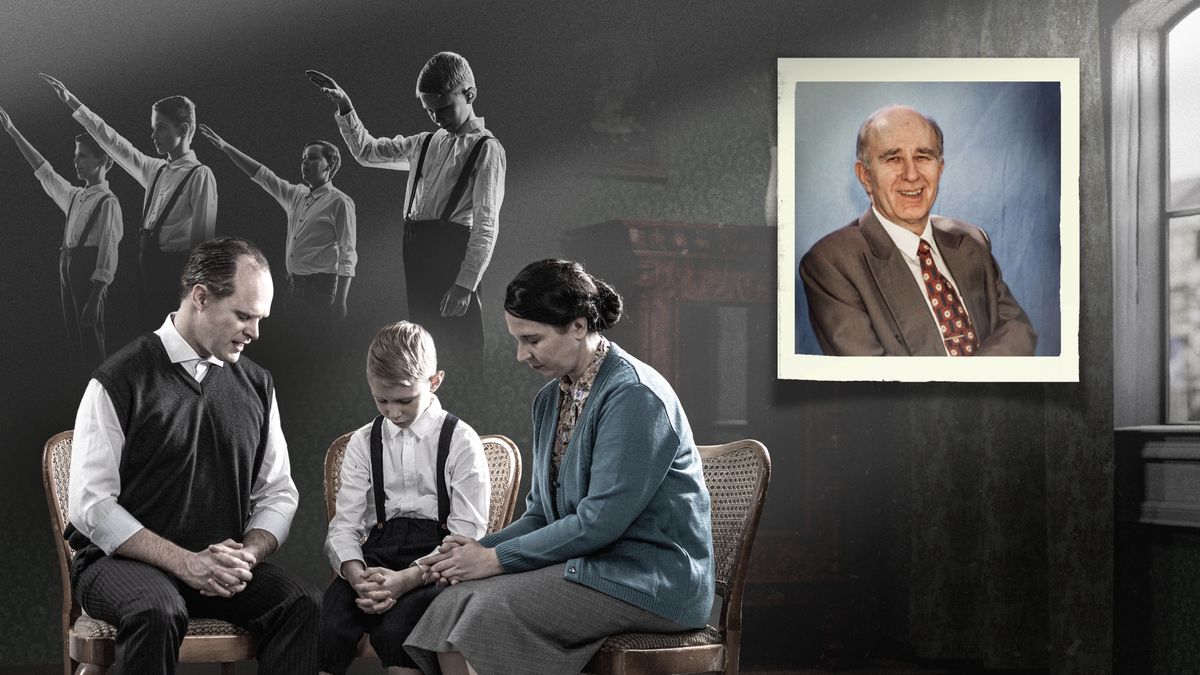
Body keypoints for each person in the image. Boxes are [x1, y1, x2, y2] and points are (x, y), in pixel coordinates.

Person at [403, 259, 714, 675]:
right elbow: (540, 514)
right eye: (517, 340)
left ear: (579, 326)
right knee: (451, 602)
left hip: (652, 582)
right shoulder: (551, 399)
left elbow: (598, 522)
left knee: (487, 612)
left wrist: (494, 560)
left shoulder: (635, 396)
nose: (521, 355)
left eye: (532, 339)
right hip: (592, 565)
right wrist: (476, 552)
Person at [65, 237, 319, 673]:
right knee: (156, 609)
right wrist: (185, 562)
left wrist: (248, 554)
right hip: (120, 566)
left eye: (260, 319)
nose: (255, 332)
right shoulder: (119, 379)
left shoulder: (258, 385)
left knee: (302, 602)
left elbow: (278, 493)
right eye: (243, 315)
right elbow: (91, 506)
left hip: (217, 568)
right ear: (201, 297)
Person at [306, 51, 505, 365]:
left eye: (443, 108)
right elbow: (367, 152)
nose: (436, 118)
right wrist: (345, 105)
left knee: (460, 350)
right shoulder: (425, 142)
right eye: (429, 111)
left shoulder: (486, 148)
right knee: (424, 349)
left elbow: (486, 223)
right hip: (415, 249)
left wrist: (465, 284)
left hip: (451, 256)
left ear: (469, 94)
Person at [799, 104, 1038, 356]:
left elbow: (1017, 331)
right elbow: (872, 374)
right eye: (893, 159)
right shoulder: (832, 263)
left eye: (923, 157)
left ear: (940, 168)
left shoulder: (971, 240)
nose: (912, 175)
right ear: (865, 176)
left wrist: (974, 376)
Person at [321, 321, 490, 675]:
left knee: (397, 631)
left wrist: (408, 579)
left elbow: (467, 534)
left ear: (434, 382)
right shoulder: (363, 442)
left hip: (436, 561)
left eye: (405, 400)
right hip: (375, 557)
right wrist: (357, 575)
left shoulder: (460, 440)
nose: (393, 412)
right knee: (329, 624)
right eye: (381, 400)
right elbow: (345, 525)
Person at [41, 73, 217, 320]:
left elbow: (202, 244)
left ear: (183, 129)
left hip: (175, 275)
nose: (153, 135)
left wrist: (195, 297)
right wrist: (72, 102)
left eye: (160, 127)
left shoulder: (200, 175)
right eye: (153, 128)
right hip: (147, 269)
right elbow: (113, 142)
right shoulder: (154, 169)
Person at [0, 105, 122, 367]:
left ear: (103, 161)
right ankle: (80, 386)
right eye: (76, 156)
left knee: (91, 340)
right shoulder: (75, 196)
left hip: (88, 273)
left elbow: (108, 250)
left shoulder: (107, 201)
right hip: (68, 267)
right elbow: (44, 171)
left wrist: (96, 295)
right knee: (74, 340)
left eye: (83, 156)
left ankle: (99, 387)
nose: (76, 161)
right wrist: (12, 131)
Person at [198, 125, 357, 319]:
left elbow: (348, 253)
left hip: (321, 289)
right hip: (293, 287)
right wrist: (225, 147)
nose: (305, 162)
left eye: (312, 158)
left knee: (318, 337)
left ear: (329, 165)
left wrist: (341, 301)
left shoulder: (340, 202)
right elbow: (263, 175)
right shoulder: (296, 194)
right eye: (304, 158)